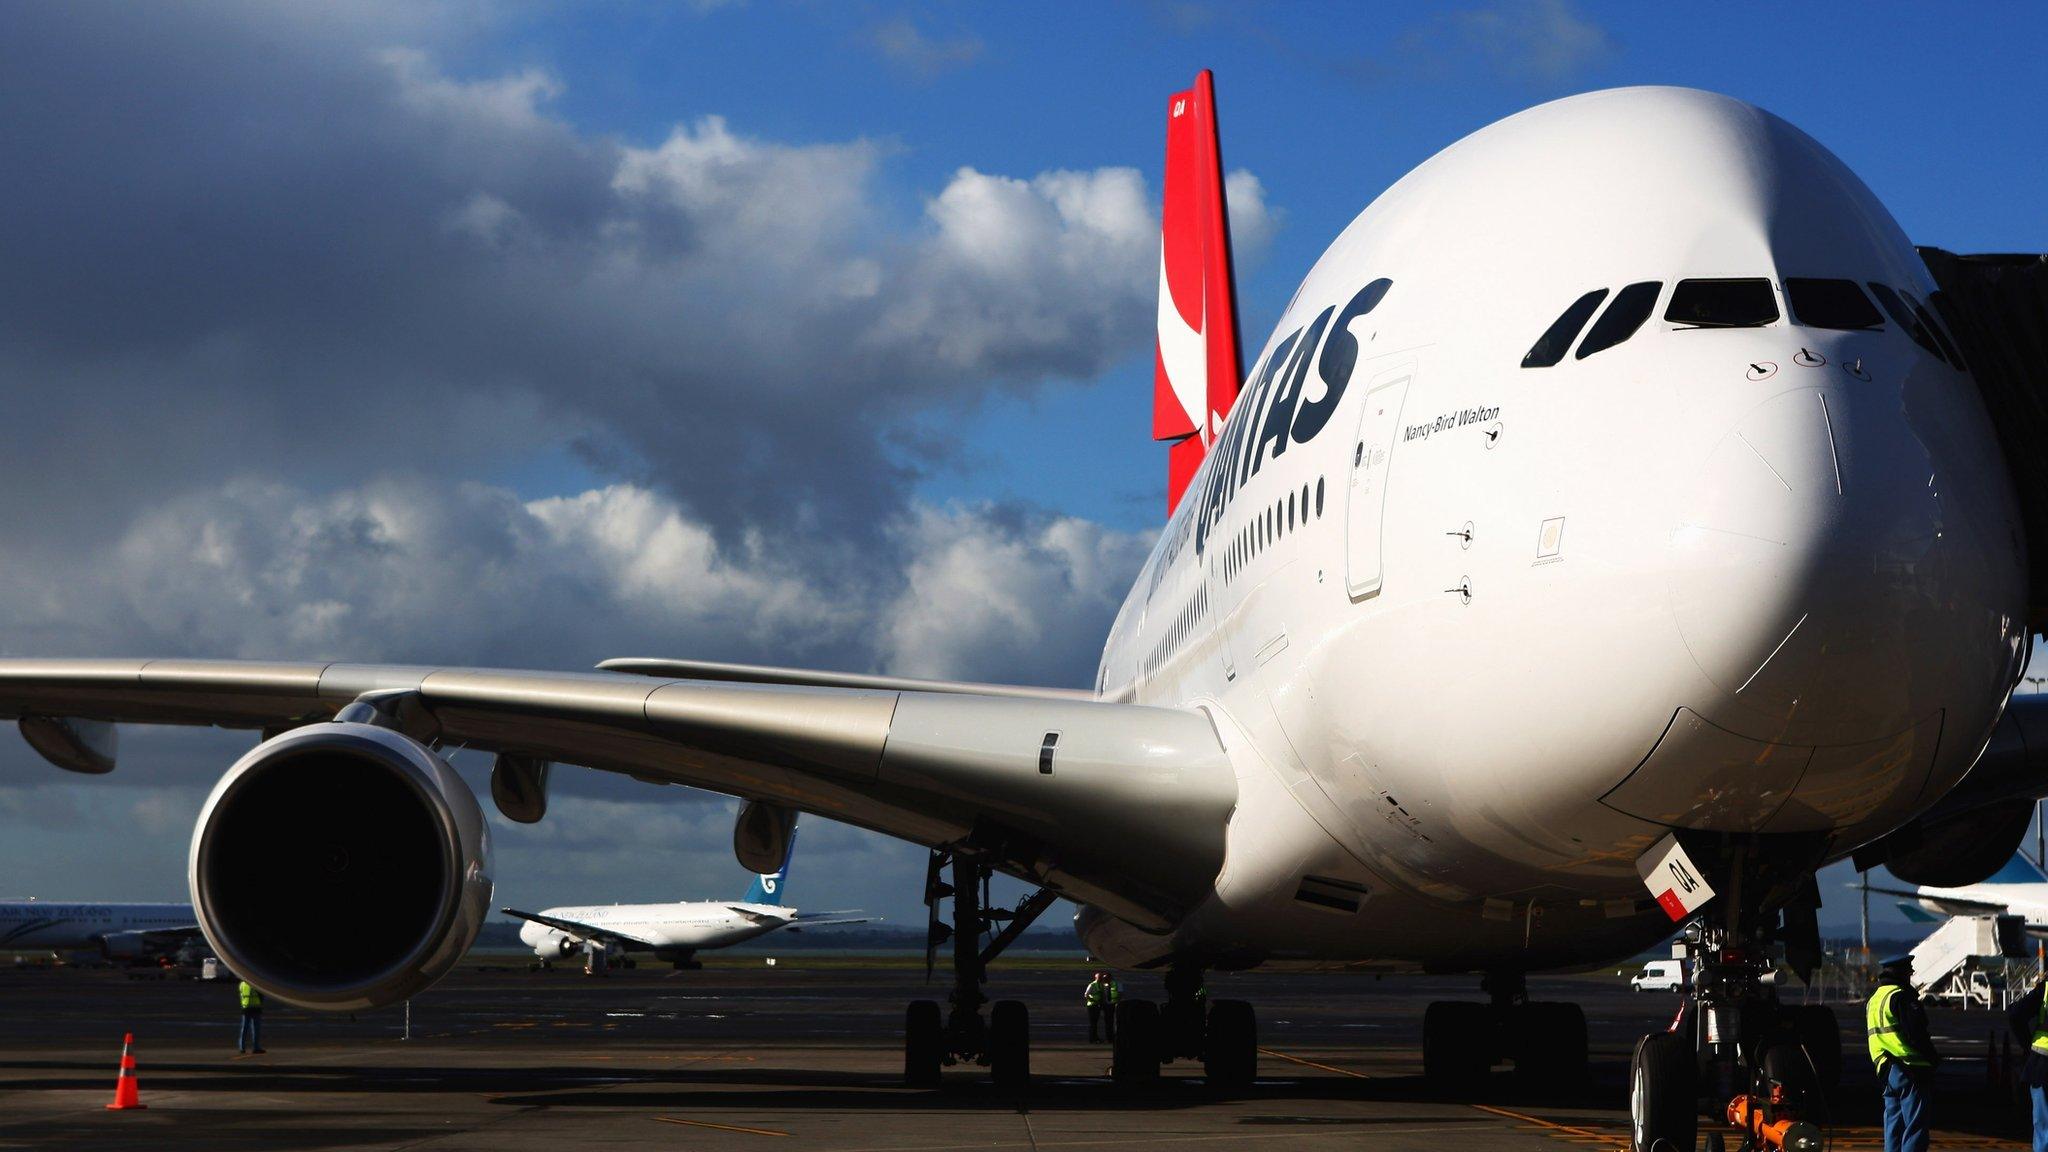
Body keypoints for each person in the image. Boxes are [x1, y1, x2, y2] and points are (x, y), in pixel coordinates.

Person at [1866, 955, 1937, 1152]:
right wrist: (1933, 1059)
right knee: (1915, 1125)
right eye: (1908, 972)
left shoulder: (1875, 999)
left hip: (1886, 1069)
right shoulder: (1901, 997)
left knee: (1893, 1125)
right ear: (1901, 973)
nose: (1910, 976)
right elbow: (1917, 1033)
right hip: (1909, 1067)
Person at [2005, 974, 2048, 1152]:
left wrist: (2027, 1044)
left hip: (2041, 1063)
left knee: (2043, 1126)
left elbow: (2015, 1014)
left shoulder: (2044, 989)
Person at [1084, 971, 1117, 1044]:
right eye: (1100, 977)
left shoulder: (1102, 985)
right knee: (1093, 1023)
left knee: (1096, 1022)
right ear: (1096, 978)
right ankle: (1093, 1038)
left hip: (1098, 1005)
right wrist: (1093, 1000)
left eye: (1101, 977)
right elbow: (1086, 995)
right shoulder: (1092, 985)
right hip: (1092, 1005)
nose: (1101, 979)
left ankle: (1097, 1038)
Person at [237, 978, 265, 1054]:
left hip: (246, 1008)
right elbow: (261, 995)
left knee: (244, 1029)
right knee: (256, 1029)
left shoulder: (242, 984)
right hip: (256, 1008)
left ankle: (242, 1047)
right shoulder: (255, 984)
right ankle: (256, 1047)